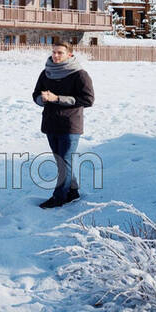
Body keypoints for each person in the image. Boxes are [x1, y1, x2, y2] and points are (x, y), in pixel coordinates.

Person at [32, 41, 94, 208]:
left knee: (64, 161)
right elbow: (35, 94)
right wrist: (42, 99)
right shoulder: (46, 73)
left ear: (70, 55)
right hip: (50, 124)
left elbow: (88, 100)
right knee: (61, 162)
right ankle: (72, 192)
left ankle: (59, 197)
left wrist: (58, 99)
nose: (56, 55)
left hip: (70, 125)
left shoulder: (80, 74)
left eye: (60, 52)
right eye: (54, 52)